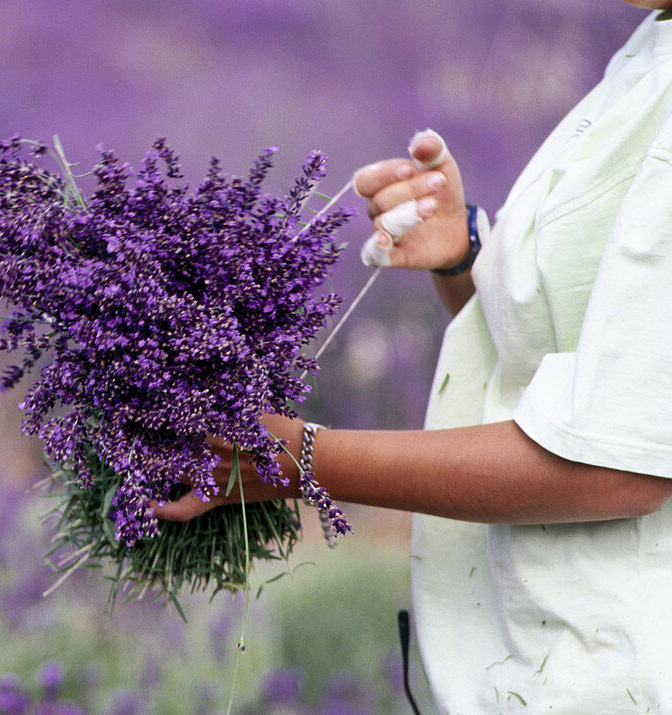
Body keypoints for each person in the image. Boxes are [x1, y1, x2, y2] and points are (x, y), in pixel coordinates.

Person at [154, 3, 672, 710]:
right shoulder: (653, 40)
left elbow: (615, 464)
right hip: (525, 663)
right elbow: (599, 349)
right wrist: (468, 258)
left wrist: (300, 458)